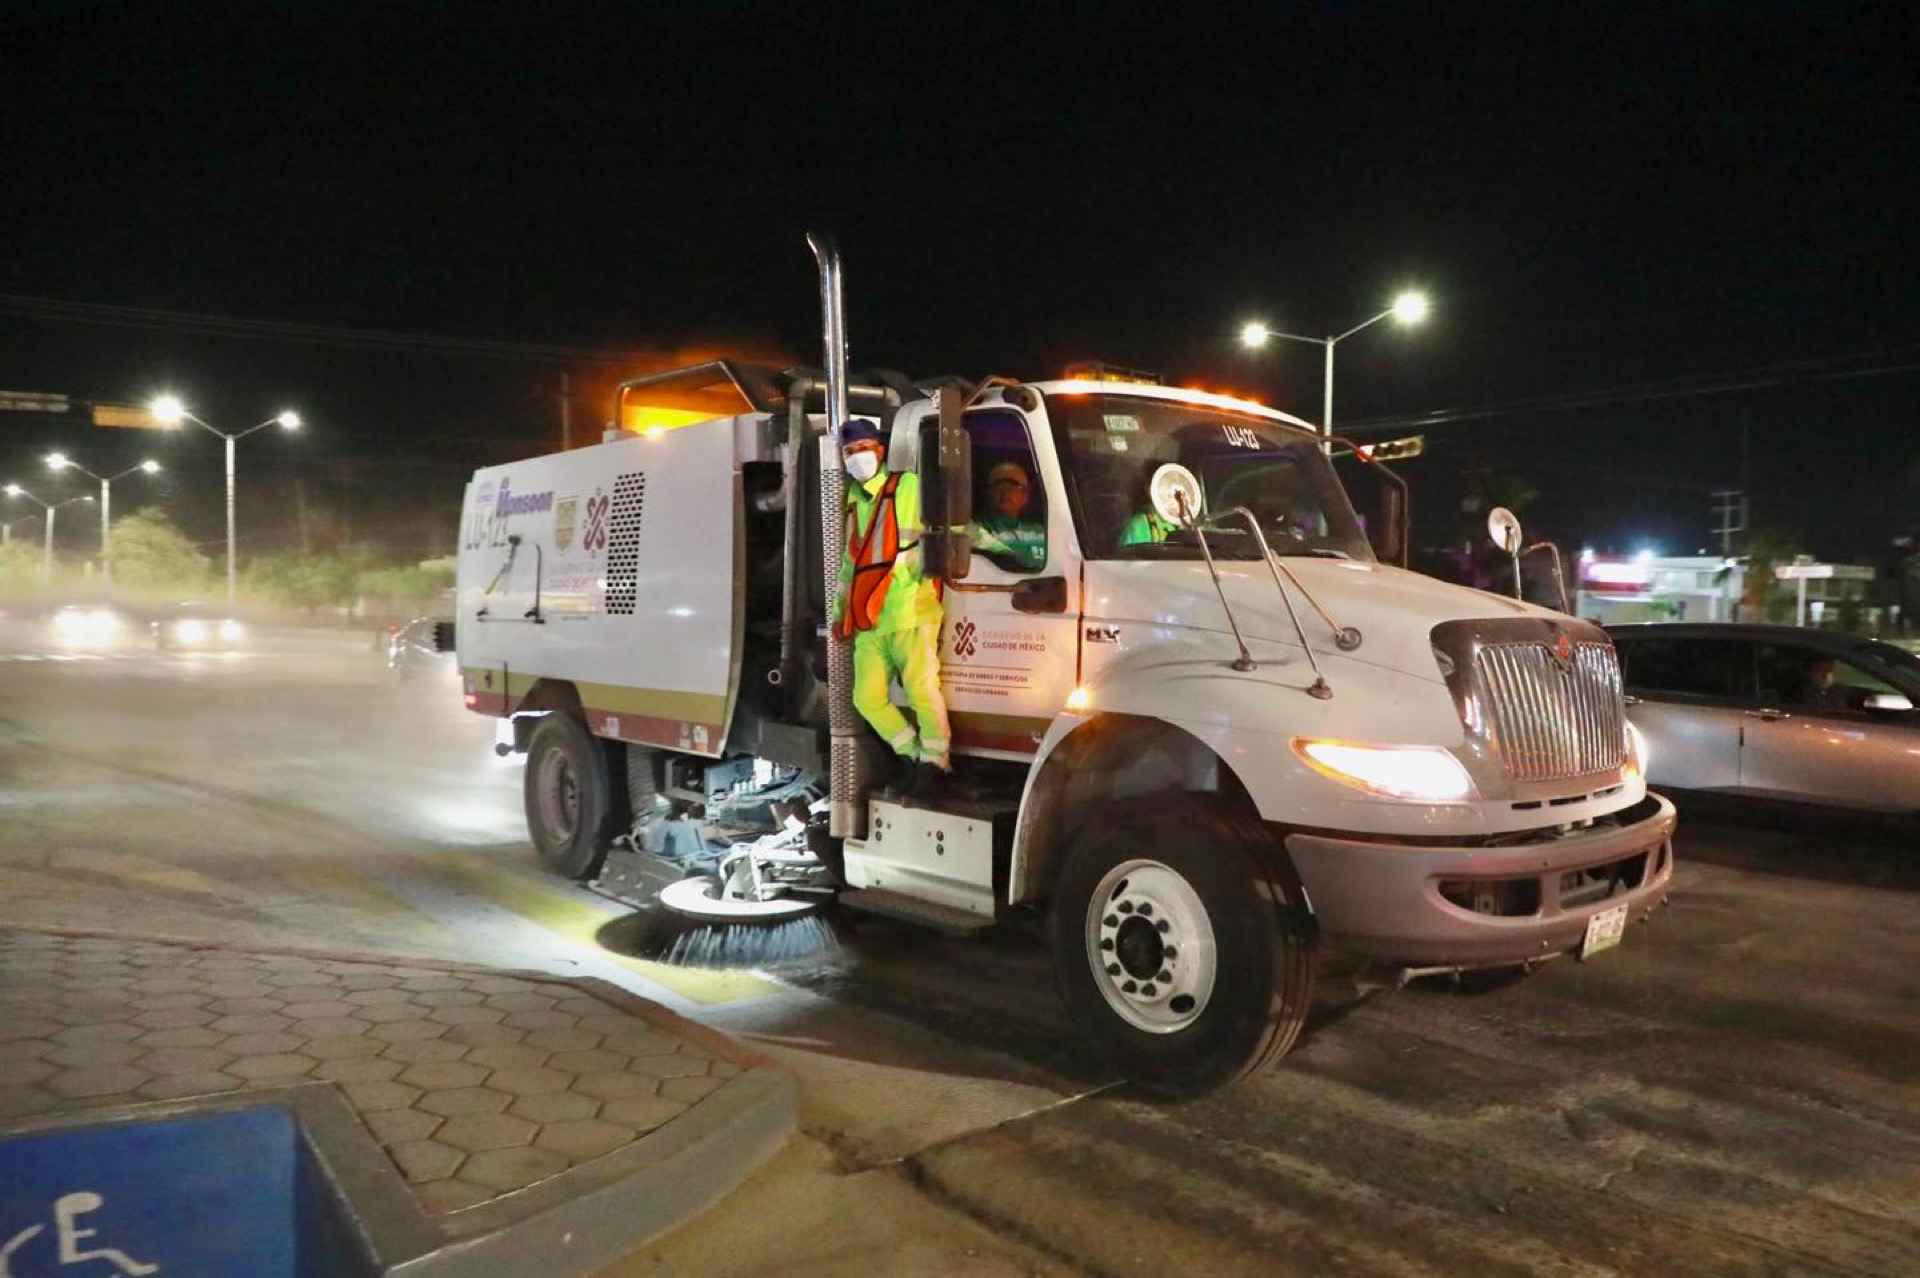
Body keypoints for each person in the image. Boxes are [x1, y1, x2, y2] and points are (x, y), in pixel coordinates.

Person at [832, 417, 951, 793]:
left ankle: (935, 763)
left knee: (921, 691)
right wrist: (839, 614)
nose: (857, 457)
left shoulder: (908, 486)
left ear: (880, 450)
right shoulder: (854, 499)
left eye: (863, 448)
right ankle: (913, 757)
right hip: (870, 618)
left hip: (910, 610)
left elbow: (947, 529)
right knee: (866, 699)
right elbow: (850, 564)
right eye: (849, 452)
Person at [971, 460, 1047, 571]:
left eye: (1014, 485)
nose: (1006, 491)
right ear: (988, 492)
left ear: (1025, 495)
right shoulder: (975, 529)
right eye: (999, 484)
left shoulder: (1041, 532)